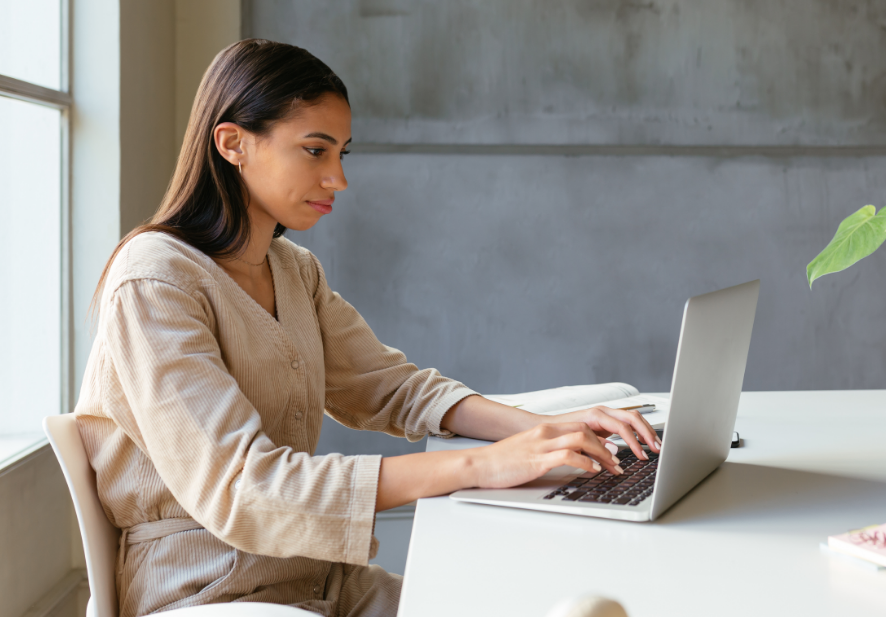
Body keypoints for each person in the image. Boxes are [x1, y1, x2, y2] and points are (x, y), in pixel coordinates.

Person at [74, 39, 660, 617]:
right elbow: (242, 487)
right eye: (314, 151)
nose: (338, 179)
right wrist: (483, 465)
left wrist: (545, 431)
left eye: (342, 155)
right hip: (209, 592)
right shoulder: (154, 282)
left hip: (319, 578)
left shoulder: (292, 269)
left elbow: (394, 387)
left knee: (550, 601)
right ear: (233, 144)